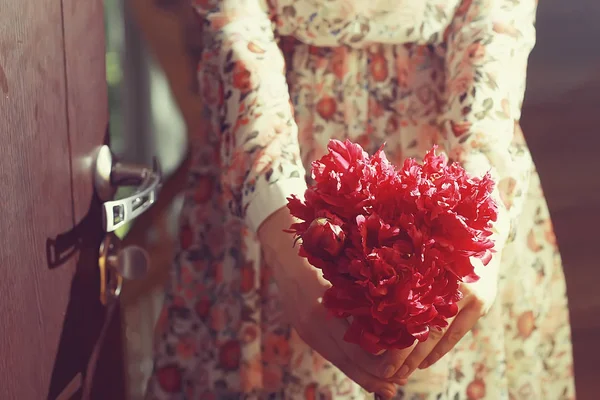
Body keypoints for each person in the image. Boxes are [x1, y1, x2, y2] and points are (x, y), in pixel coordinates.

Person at [145, 0, 576, 398]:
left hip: (450, 140)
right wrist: (279, 224)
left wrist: (477, 219)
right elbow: (236, 22)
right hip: (282, 139)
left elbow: (496, 14)